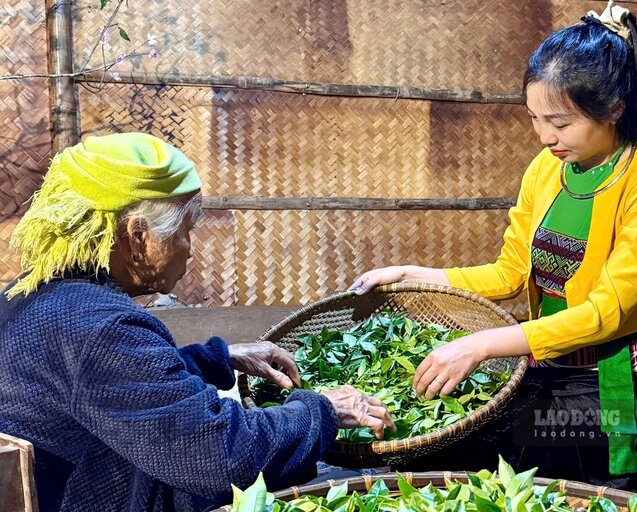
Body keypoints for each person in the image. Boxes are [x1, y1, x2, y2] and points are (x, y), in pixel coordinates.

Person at [350, 1, 637, 491]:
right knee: (432, 437)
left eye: (560, 123)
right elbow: (510, 272)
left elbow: (606, 314)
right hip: (548, 371)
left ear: (615, 109)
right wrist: (410, 274)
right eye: (535, 118)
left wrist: (480, 345)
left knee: (509, 451)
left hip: (625, 393)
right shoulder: (546, 169)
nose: (544, 137)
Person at [0, 132, 394, 511]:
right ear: (138, 237)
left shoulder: (31, 294)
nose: (189, 249)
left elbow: (110, 391)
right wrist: (320, 410)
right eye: (187, 230)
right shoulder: (97, 327)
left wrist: (215, 358)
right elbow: (225, 457)